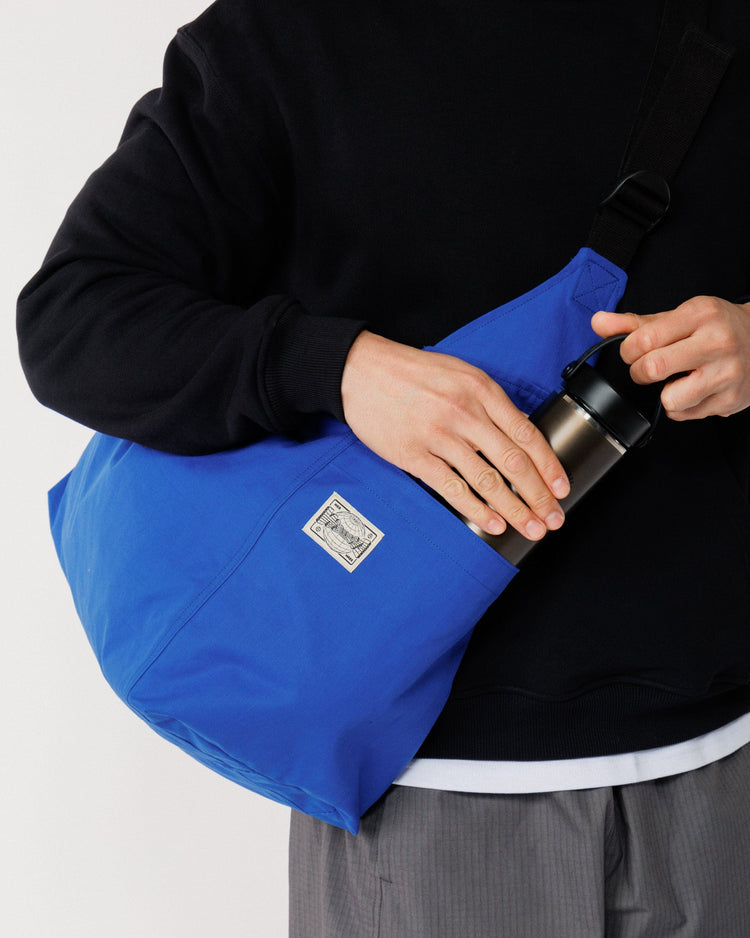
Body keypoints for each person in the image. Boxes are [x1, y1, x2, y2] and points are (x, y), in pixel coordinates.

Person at [16, 0, 750, 934]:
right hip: (427, 802)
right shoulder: (291, 34)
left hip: (722, 765)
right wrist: (342, 369)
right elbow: (75, 316)